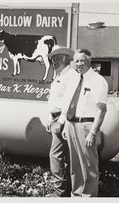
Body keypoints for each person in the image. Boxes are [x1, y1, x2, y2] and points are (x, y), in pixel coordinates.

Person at [59, 49, 108, 197]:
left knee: (88, 167)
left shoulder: (98, 81)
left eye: (81, 60)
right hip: (72, 125)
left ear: (89, 61)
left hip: (87, 127)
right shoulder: (74, 79)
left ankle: (88, 197)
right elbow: (69, 103)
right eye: (76, 60)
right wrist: (66, 125)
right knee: (75, 167)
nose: (78, 64)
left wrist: (93, 133)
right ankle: (76, 195)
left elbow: (101, 110)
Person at [45, 45, 77, 197]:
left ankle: (60, 194)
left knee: (55, 156)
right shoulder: (59, 76)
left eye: (57, 58)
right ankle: (66, 192)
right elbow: (53, 101)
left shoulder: (71, 75)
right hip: (56, 119)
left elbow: (69, 102)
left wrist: (60, 122)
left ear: (66, 59)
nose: (54, 62)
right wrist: (49, 118)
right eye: (52, 59)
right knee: (64, 156)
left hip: (64, 120)